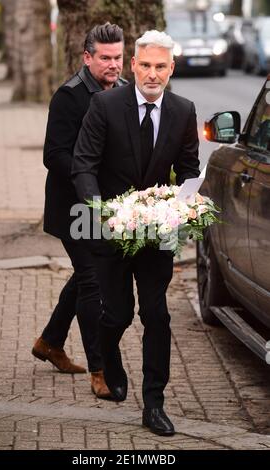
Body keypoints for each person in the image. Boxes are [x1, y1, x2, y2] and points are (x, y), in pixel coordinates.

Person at [71, 30, 200, 435]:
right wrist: (100, 212)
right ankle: (108, 353)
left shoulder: (183, 110)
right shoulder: (105, 105)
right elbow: (83, 165)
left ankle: (154, 402)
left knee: (156, 314)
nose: (152, 73)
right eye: (145, 65)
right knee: (119, 314)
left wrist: (184, 203)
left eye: (160, 66)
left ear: (171, 69)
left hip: (157, 231)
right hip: (111, 229)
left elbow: (191, 167)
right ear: (133, 66)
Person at [32, 23, 127, 399]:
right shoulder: (69, 96)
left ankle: (50, 342)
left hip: (106, 208)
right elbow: (53, 155)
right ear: (87, 58)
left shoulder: (123, 93)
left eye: (118, 57)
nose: (113, 65)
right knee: (93, 282)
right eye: (105, 58)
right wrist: (90, 179)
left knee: (87, 277)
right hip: (73, 208)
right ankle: (99, 369)